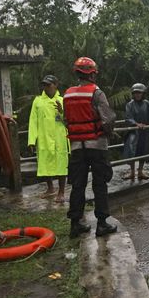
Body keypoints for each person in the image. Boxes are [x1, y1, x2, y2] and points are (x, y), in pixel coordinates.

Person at [63, 57, 117, 238]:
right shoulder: (97, 93)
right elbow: (108, 119)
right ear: (92, 73)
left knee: (78, 185)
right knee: (99, 184)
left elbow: (65, 120)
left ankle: (75, 223)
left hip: (77, 146)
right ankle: (101, 224)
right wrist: (109, 133)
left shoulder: (68, 94)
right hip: (97, 145)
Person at [28, 75, 69, 203]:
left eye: (49, 85)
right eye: (44, 85)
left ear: (56, 85)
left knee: (61, 164)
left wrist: (62, 111)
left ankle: (61, 191)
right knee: (45, 163)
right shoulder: (38, 101)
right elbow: (33, 121)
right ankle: (50, 188)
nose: (46, 88)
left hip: (59, 137)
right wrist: (31, 140)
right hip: (44, 137)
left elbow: (69, 121)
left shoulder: (63, 100)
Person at [122, 83, 149, 180]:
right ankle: (132, 172)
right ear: (133, 93)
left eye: (139, 93)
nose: (137, 94)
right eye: (136, 92)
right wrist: (137, 124)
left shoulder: (147, 103)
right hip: (133, 132)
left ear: (143, 93)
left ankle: (140, 171)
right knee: (131, 152)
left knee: (143, 152)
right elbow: (128, 118)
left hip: (144, 132)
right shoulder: (130, 105)